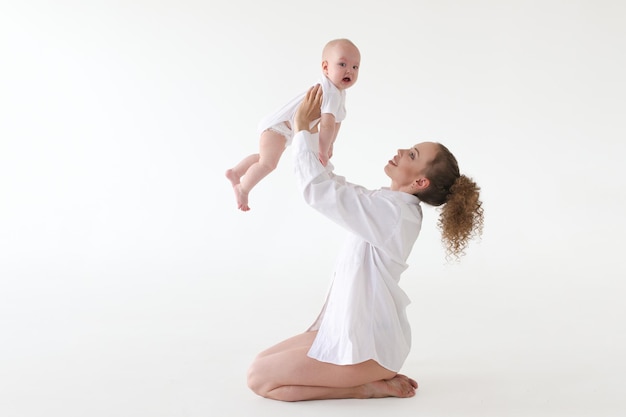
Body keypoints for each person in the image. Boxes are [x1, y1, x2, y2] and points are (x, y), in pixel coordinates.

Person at [246, 85, 484, 401]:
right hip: (356, 333)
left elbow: (319, 192)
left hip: (369, 349)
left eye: (412, 154)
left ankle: (364, 387)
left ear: (420, 182)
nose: (401, 151)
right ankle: (364, 379)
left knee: (259, 379)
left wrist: (303, 130)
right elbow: (335, 187)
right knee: (262, 363)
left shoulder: (395, 215)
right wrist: (317, 140)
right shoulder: (390, 205)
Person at [225, 38, 361, 211]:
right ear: (326, 67)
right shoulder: (330, 91)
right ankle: (243, 189)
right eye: (342, 64)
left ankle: (235, 172)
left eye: (355, 67)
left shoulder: (338, 93)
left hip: (282, 129)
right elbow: (327, 125)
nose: (349, 70)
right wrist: (323, 151)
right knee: (268, 164)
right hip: (278, 127)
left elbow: (337, 121)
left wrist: (331, 143)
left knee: (263, 158)